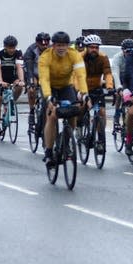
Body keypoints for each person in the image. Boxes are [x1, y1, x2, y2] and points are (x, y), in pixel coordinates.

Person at [39, 31, 87, 166]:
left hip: (66, 86)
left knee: (73, 111)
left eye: (64, 45)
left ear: (68, 46)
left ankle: (67, 141)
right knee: (53, 115)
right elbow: (44, 78)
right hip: (50, 88)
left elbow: (81, 76)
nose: (61, 48)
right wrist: (48, 98)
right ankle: (48, 152)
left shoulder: (74, 55)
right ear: (53, 46)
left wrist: (84, 93)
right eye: (58, 45)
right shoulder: (45, 57)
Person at [79, 34, 114, 152]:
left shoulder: (103, 57)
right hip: (82, 86)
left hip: (96, 87)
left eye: (96, 47)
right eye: (91, 47)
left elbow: (108, 73)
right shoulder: (80, 58)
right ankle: (79, 127)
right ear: (86, 47)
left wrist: (109, 87)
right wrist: (81, 92)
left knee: (101, 112)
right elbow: (75, 76)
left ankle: (100, 139)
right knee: (81, 107)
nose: (94, 49)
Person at [0, 35, 25, 137]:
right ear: (5, 46)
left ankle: (11, 102)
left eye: (13, 47)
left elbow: (19, 67)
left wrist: (21, 80)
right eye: (9, 47)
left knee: (20, 87)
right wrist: (1, 81)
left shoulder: (18, 52)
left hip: (12, 76)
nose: (12, 50)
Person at [23, 32, 50, 131]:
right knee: (32, 89)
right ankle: (31, 111)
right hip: (33, 73)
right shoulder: (31, 50)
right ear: (37, 43)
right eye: (42, 44)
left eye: (46, 43)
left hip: (45, 74)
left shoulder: (51, 50)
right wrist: (30, 83)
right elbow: (29, 69)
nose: (44, 46)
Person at [112, 38, 133, 125]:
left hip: (130, 77)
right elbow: (115, 73)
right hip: (120, 77)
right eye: (127, 51)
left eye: (132, 51)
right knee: (119, 95)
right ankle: (117, 115)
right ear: (123, 50)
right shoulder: (117, 58)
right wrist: (119, 88)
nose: (130, 53)